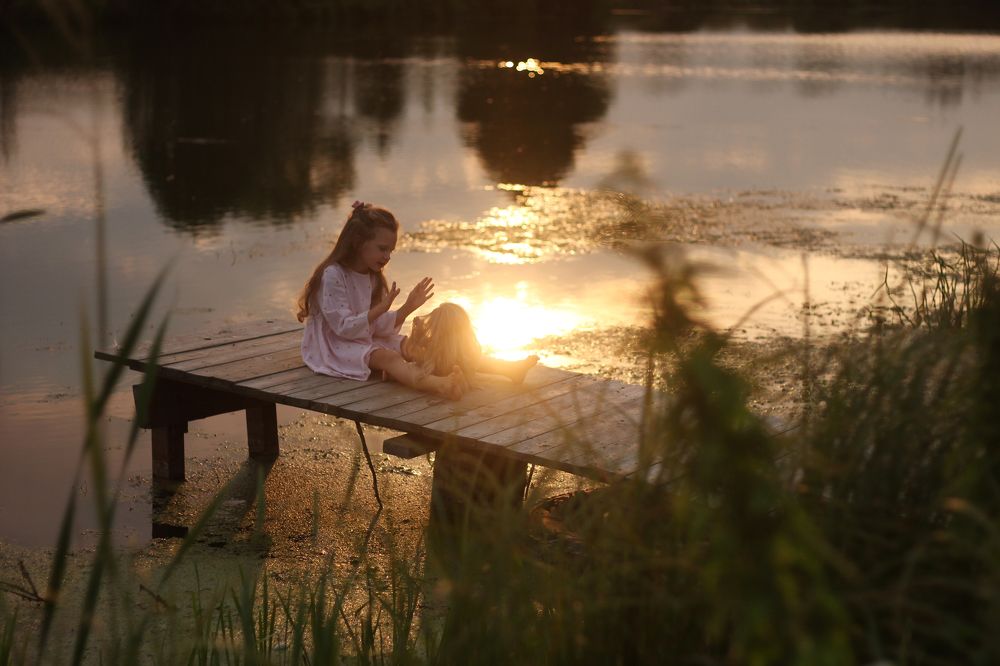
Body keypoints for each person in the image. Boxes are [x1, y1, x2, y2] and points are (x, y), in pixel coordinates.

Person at [296, 201, 535, 400]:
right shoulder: (333, 275)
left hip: (363, 337)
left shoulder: (372, 276)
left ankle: (508, 369)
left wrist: (408, 307)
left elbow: (377, 326)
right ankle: (439, 385)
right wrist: (379, 309)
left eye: (391, 250)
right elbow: (343, 328)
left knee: (422, 349)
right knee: (389, 358)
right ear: (359, 242)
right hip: (335, 346)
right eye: (382, 249)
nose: (387, 256)